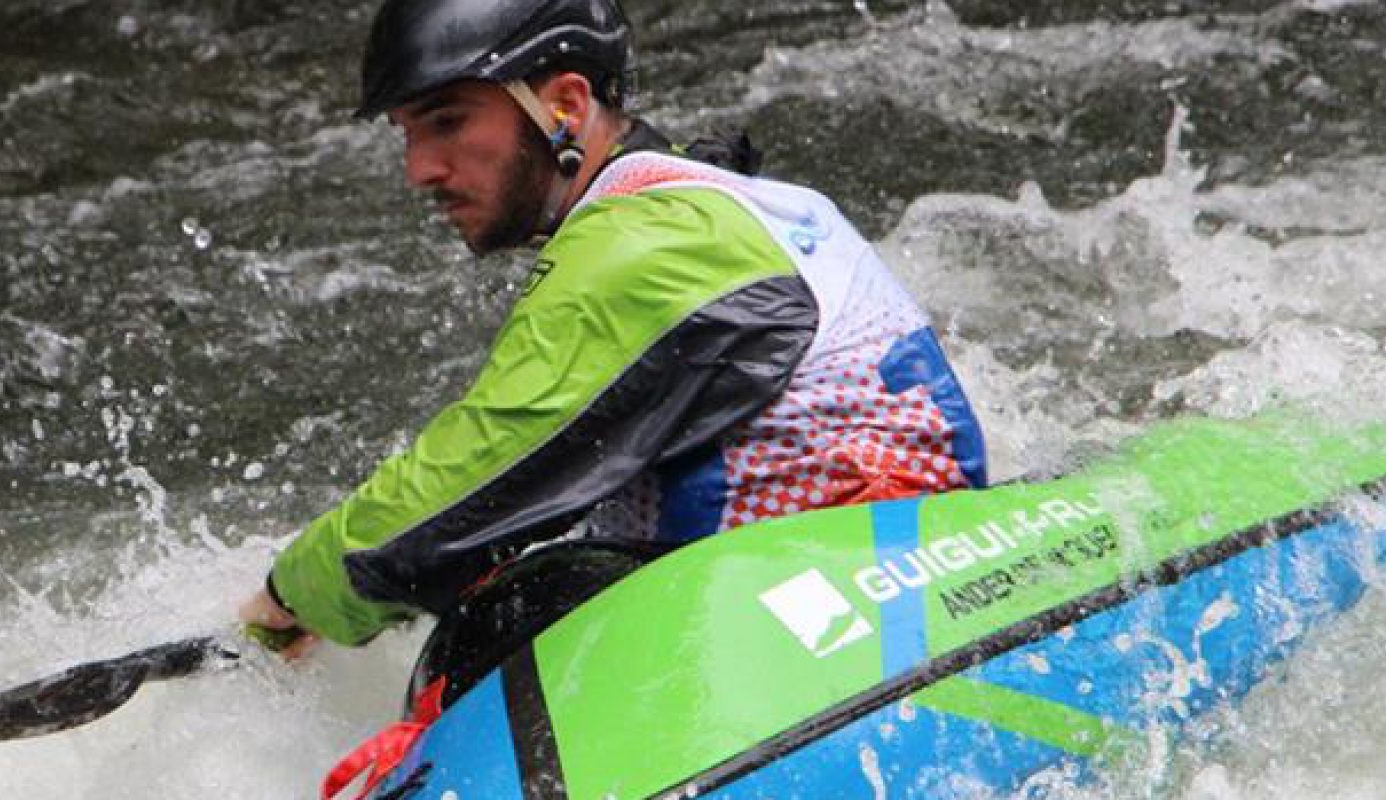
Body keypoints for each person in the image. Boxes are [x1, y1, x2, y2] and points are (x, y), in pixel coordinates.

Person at [240, 0, 987, 657]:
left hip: (846, 614)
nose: (420, 169)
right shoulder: (708, 199)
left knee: (497, 624)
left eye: (447, 121)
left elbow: (466, 487)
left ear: (564, 104)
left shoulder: (645, 244)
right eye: (408, 134)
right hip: (876, 579)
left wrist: (293, 596)